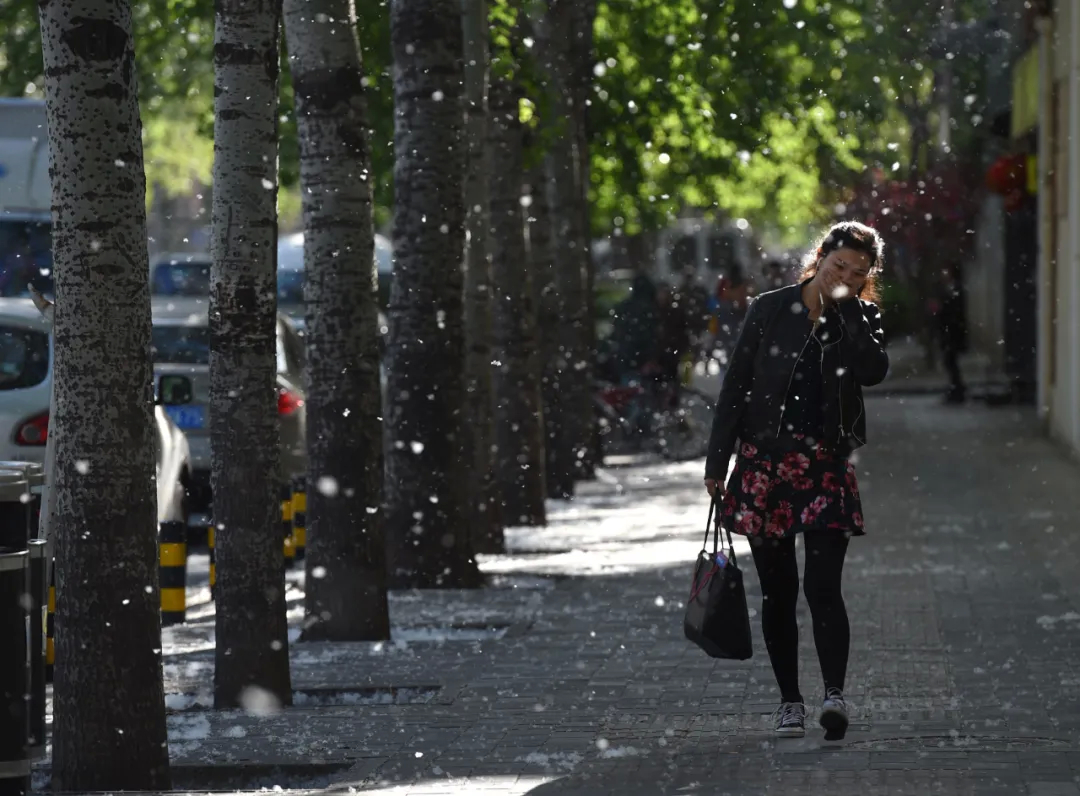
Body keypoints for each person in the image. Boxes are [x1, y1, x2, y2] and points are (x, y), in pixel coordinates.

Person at [703, 221, 889, 741]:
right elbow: (736, 386)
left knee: (823, 587)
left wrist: (848, 310)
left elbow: (874, 371)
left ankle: (834, 695)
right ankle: (790, 702)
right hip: (766, 467)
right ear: (821, 255)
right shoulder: (769, 309)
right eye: (839, 265)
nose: (846, 275)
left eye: (858, 272)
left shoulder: (860, 315)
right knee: (778, 591)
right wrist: (717, 464)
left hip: (826, 467)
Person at [936, 263, 968, 404]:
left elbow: (954, 312)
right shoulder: (950, 288)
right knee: (950, 362)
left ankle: (958, 390)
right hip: (949, 332)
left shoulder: (956, 289)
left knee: (951, 362)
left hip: (953, 333)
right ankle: (956, 389)